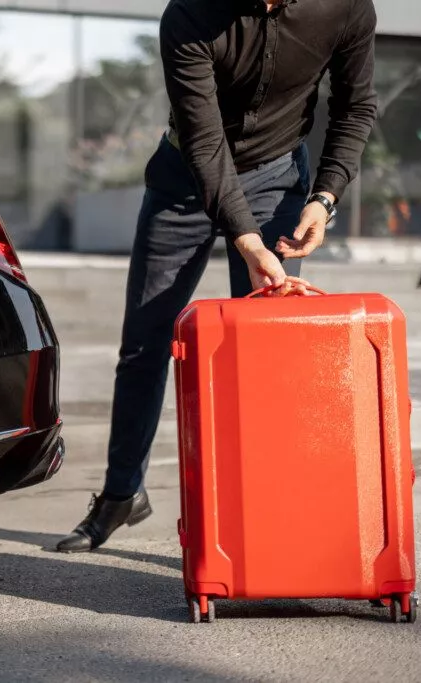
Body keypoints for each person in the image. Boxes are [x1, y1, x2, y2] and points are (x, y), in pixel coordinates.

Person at [56, 0, 378, 553]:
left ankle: (262, 512)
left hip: (278, 179)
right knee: (145, 343)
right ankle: (120, 495)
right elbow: (205, 141)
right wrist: (246, 240)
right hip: (184, 179)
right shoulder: (189, 14)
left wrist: (324, 198)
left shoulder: (346, 7)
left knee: (265, 354)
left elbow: (355, 106)